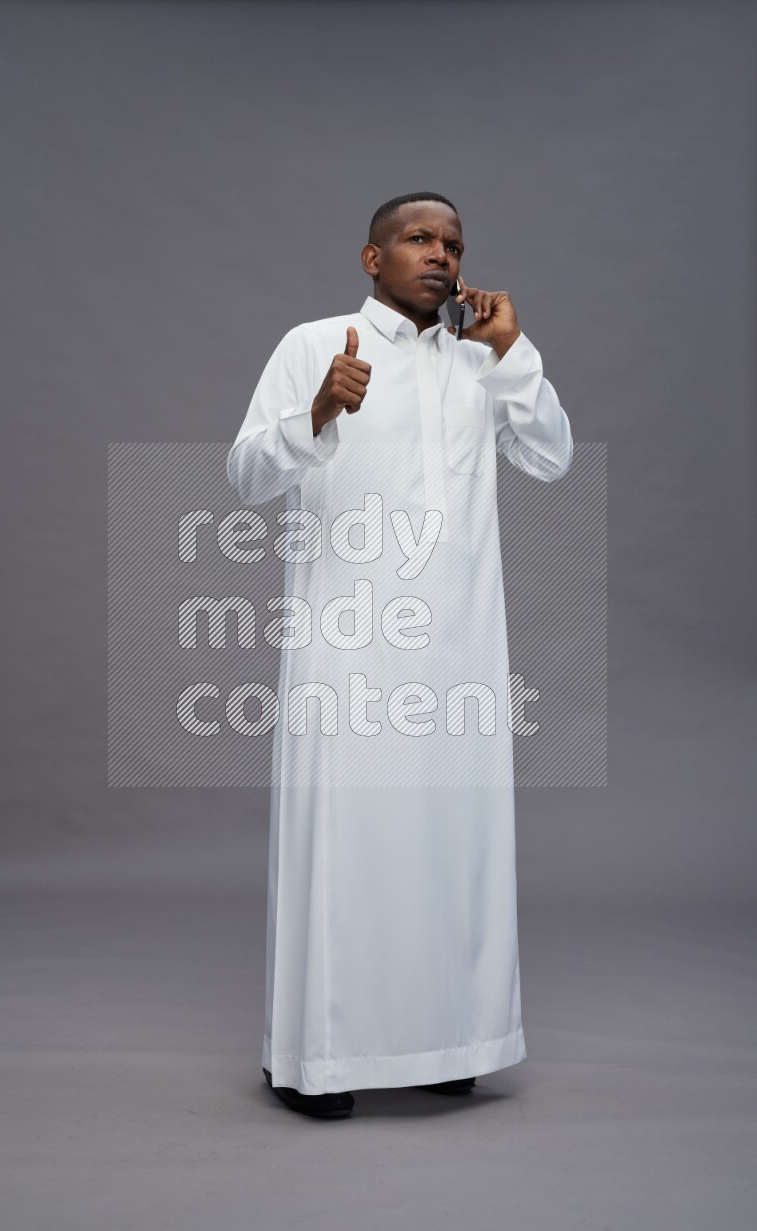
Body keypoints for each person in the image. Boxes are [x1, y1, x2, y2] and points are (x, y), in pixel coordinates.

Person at [227, 192, 573, 1119]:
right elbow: (247, 478)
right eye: (420, 239)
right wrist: (315, 412)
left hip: (458, 650)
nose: (441, 255)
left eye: (454, 244)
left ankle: (446, 1039)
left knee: (451, 846)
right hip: (349, 642)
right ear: (373, 258)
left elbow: (550, 457)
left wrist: (510, 352)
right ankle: (319, 1057)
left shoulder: (477, 360)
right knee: (346, 845)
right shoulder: (316, 342)